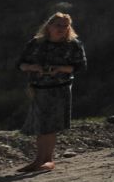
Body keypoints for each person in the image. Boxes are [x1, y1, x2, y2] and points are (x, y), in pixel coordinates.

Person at [16, 11, 86, 173]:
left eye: (65, 26)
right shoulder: (35, 43)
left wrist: (59, 69)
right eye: (58, 25)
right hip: (38, 89)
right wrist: (32, 67)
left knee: (49, 126)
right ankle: (39, 160)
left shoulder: (73, 44)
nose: (61, 28)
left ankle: (47, 160)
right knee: (40, 126)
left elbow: (80, 67)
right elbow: (20, 64)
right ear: (49, 26)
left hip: (59, 89)